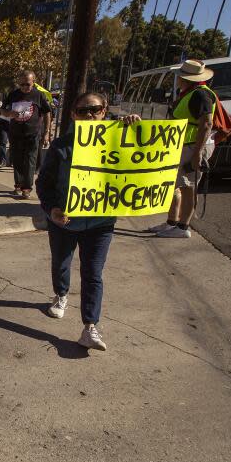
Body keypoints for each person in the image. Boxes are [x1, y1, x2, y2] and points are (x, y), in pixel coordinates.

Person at [36, 92, 140, 351]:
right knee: (62, 263)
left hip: (100, 223)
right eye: (82, 111)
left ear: (104, 111)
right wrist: (52, 210)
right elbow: (43, 185)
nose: (89, 115)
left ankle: (90, 326)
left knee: (93, 273)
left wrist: (136, 131)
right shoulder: (61, 146)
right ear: (73, 114)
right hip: (64, 222)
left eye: (94, 110)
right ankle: (61, 295)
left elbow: (140, 163)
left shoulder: (119, 140)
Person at [149, 60, 217, 239]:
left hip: (191, 147)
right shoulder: (189, 93)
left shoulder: (200, 95)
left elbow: (207, 123)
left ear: (185, 77)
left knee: (188, 186)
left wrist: (197, 154)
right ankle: (172, 222)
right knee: (174, 184)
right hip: (181, 146)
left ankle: (183, 226)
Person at [1, 71, 52, 198]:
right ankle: (18, 185)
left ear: (33, 82)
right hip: (15, 133)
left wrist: (46, 133)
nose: (24, 87)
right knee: (17, 160)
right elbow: (2, 110)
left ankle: (27, 188)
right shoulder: (13, 95)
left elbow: (47, 113)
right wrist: (8, 114)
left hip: (33, 134)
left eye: (27, 84)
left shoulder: (38, 95)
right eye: (22, 84)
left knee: (30, 160)